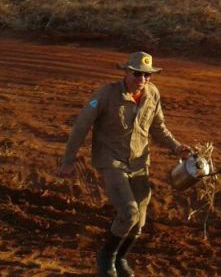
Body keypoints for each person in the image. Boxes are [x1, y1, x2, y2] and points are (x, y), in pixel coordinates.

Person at [58, 51, 190, 277]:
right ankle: (106, 258)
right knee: (128, 212)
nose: (142, 79)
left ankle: (121, 258)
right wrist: (68, 160)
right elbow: (81, 126)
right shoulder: (105, 94)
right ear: (126, 72)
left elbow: (158, 128)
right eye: (137, 73)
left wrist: (177, 147)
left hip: (139, 162)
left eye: (147, 75)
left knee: (139, 219)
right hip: (111, 161)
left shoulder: (152, 94)